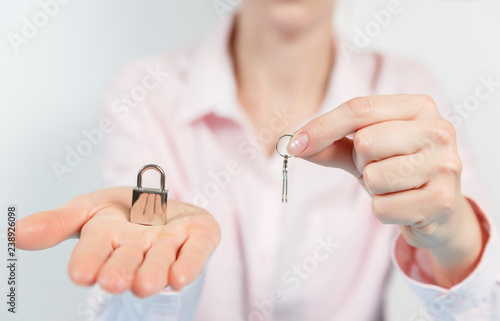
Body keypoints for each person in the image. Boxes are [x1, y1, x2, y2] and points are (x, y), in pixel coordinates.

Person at [16, 0, 500, 320]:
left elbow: (485, 304)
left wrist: (452, 233)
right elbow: (121, 300)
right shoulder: (146, 94)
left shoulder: (407, 91)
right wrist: (152, 279)